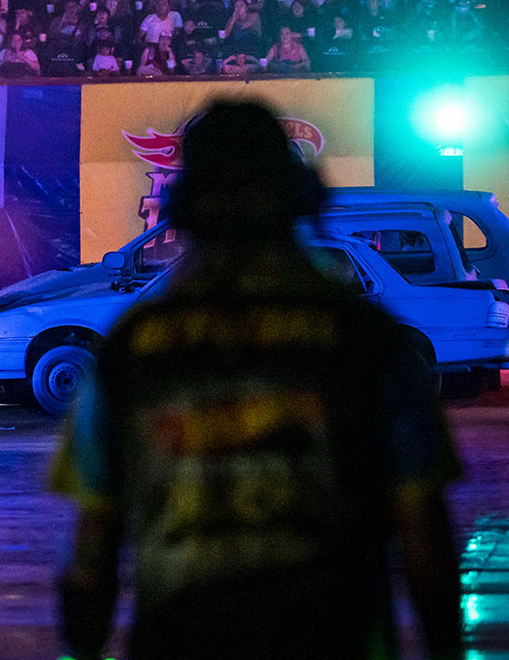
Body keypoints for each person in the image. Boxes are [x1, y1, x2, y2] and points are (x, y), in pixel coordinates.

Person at [52, 99, 462, 660]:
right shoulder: (366, 338)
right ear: (299, 197)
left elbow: (92, 557)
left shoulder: (132, 348)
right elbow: (425, 542)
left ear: (184, 208)